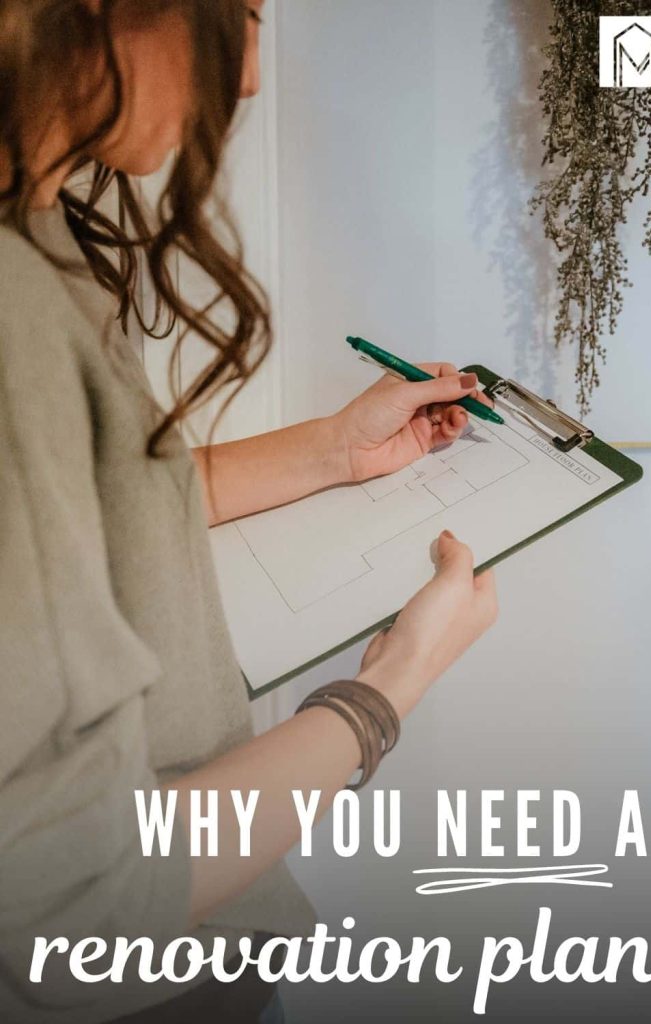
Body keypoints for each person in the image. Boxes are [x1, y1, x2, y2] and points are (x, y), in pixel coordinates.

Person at [0, 1, 498, 1021]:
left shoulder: (38, 233)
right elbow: (71, 911)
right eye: (243, 15)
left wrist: (332, 449)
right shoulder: (10, 310)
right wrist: (390, 685)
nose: (254, 76)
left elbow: (88, 508)